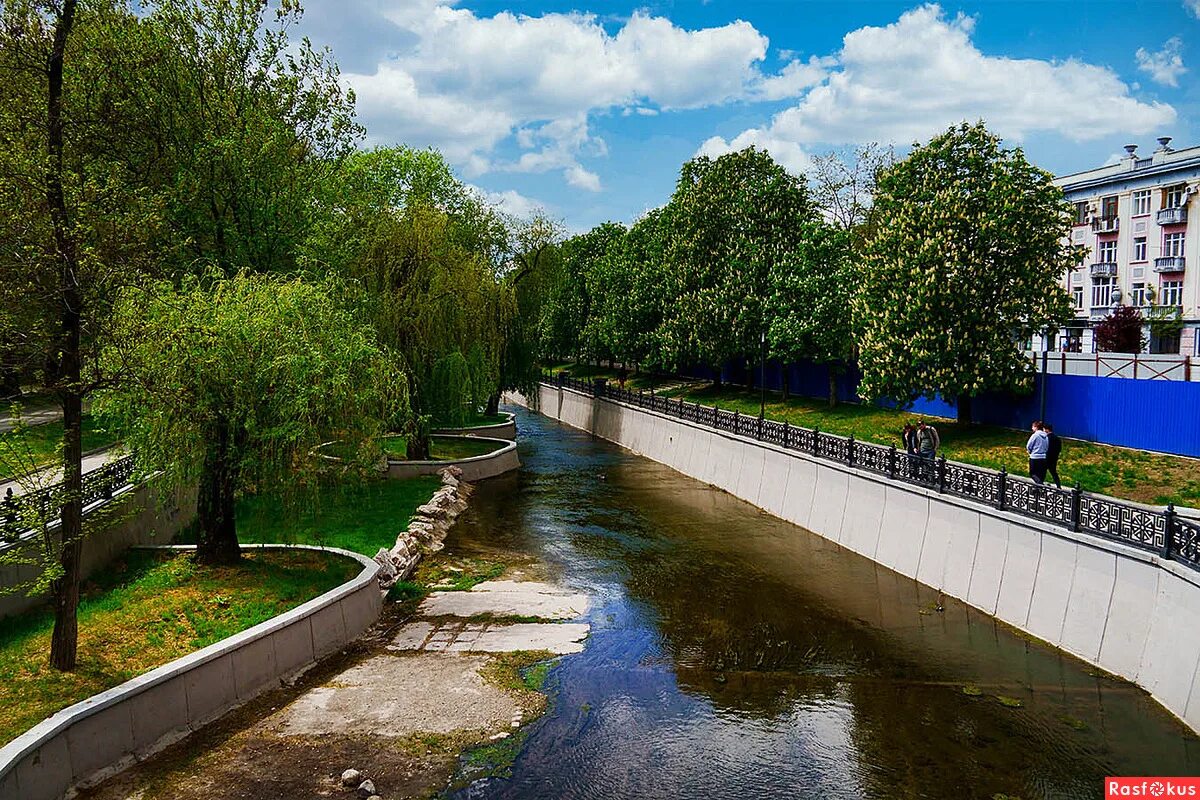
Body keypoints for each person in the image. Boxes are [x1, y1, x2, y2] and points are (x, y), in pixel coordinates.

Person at [1026, 420, 1049, 485]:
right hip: (1043, 457)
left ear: (1036, 427)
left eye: (1032, 427)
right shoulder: (1046, 436)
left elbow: (1029, 445)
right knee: (1040, 474)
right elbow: (1047, 447)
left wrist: (1030, 452)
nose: (1032, 428)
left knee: (1032, 473)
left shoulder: (1035, 435)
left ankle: (1040, 484)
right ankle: (1038, 488)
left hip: (1034, 457)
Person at [1044, 422, 1062, 489]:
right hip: (1054, 458)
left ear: (1046, 430)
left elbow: (1045, 447)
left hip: (1046, 458)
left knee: (1042, 472)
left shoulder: (1046, 438)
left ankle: (1039, 486)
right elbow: (1059, 449)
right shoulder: (1057, 438)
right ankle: (1058, 486)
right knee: (1054, 473)